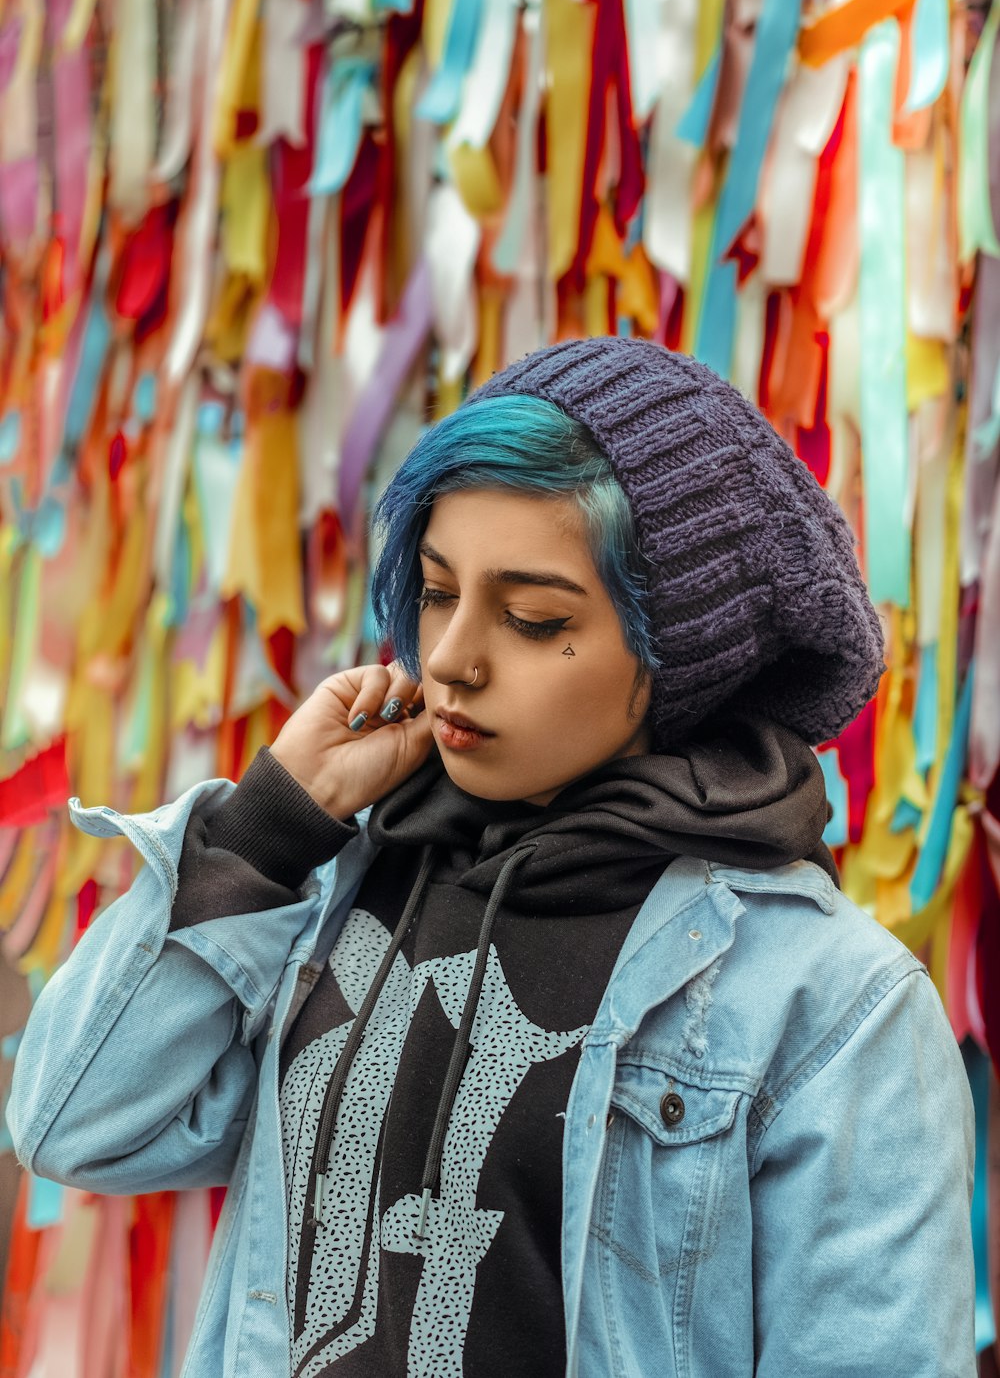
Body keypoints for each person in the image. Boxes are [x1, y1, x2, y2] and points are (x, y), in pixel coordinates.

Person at [9, 337, 975, 1378]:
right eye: (435, 591)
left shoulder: (828, 1004)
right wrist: (267, 827)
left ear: (679, 655)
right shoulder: (338, 885)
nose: (453, 658)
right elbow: (75, 1124)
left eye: (531, 618)